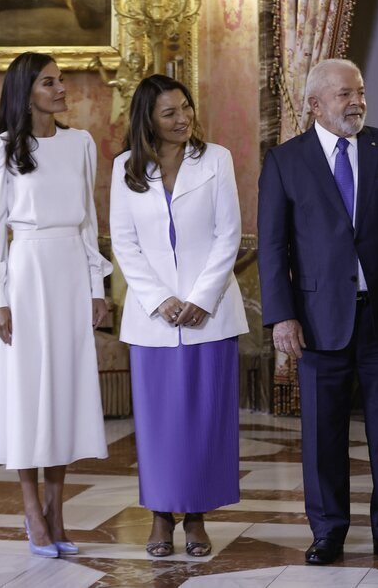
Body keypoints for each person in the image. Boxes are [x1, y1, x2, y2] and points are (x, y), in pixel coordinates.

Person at [258, 58, 378, 566]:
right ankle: (328, 532)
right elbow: (273, 249)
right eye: (344, 95)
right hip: (317, 320)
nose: (356, 101)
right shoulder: (285, 161)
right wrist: (282, 316)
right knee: (321, 434)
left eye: (359, 92)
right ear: (315, 104)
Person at [0, 51, 111, 558]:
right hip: (26, 274)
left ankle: (57, 509)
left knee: (65, 392)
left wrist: (98, 288)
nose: (61, 88)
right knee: (30, 394)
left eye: (61, 80)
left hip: (72, 270)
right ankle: (31, 509)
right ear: (26, 91)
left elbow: (91, 221)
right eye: (50, 82)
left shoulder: (80, 144)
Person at [109, 74, 248, 558]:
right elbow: (124, 242)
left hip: (210, 316)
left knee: (206, 421)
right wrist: (159, 299)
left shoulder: (216, 159)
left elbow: (228, 234)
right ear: (148, 118)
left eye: (185, 108)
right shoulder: (125, 167)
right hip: (154, 321)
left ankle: (197, 518)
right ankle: (160, 518)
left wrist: (200, 298)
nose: (182, 118)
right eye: (169, 113)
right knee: (159, 425)